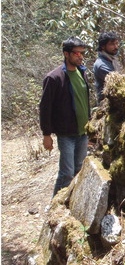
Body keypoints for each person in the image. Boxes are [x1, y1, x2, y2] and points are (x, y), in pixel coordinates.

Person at [39, 37, 90, 196]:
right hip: (66, 134)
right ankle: (55, 207)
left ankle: (72, 202)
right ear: (66, 54)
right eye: (76, 53)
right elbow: (45, 108)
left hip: (83, 133)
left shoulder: (82, 72)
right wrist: (46, 135)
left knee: (78, 170)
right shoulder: (54, 78)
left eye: (82, 53)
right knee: (66, 172)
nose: (80, 56)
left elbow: (84, 102)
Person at [93, 32, 121, 103]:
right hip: (107, 104)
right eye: (112, 44)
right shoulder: (102, 65)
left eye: (116, 43)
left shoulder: (111, 60)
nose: (116, 47)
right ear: (103, 46)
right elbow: (118, 84)